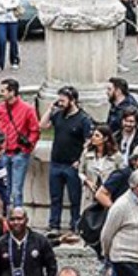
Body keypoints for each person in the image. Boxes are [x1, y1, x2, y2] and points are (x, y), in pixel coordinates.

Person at [40, 86, 95, 236]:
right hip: (56, 162)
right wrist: (50, 109)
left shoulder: (84, 119)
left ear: (73, 101)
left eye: (63, 100)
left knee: (75, 198)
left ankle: (76, 225)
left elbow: (88, 142)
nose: (60, 103)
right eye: (59, 100)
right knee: (55, 197)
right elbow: (42, 125)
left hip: (72, 165)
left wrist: (80, 160)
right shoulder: (58, 115)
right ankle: (54, 225)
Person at [0, 78, 39, 207]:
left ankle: (16, 219)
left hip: (19, 154)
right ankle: (5, 216)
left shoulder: (27, 109)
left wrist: (27, 148)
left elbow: (35, 130)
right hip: (3, 153)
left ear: (12, 92)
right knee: (3, 188)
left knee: (16, 190)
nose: (1, 93)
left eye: (3, 91)